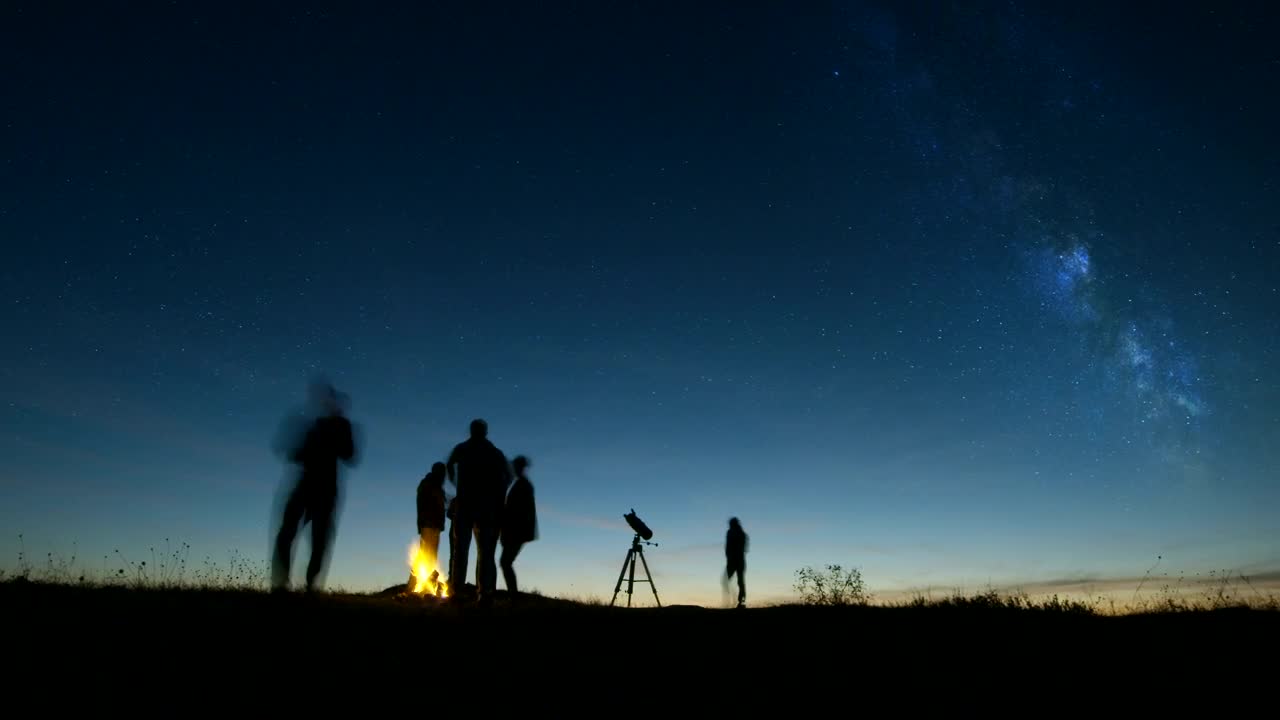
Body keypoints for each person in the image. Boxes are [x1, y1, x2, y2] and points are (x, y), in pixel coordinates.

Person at [271, 381, 358, 593]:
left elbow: (349, 454)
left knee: (319, 540)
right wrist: (296, 450)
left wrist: (329, 438)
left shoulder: (341, 425)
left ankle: (311, 585)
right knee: (287, 533)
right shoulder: (314, 425)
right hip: (306, 484)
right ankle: (280, 585)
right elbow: (297, 454)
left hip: (326, 489)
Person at [445, 418, 512, 605]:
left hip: (468, 505)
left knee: (462, 550)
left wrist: (455, 482)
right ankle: (483, 592)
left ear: (473, 431)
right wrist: (500, 494)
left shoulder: (464, 448)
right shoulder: (494, 452)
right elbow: (508, 475)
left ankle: (458, 591)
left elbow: (449, 465)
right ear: (485, 431)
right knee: (484, 551)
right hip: (485, 507)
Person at [500, 455, 538, 596]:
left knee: (505, 562)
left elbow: (516, 511)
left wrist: (508, 530)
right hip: (517, 531)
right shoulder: (521, 484)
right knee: (506, 562)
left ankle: (513, 596)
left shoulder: (522, 485)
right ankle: (513, 595)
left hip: (516, 531)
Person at [411, 462, 448, 591]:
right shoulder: (427, 485)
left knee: (431, 554)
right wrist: (422, 522)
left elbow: (442, 504)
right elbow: (423, 504)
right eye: (442, 473)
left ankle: (425, 585)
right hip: (428, 524)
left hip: (435, 525)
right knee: (426, 553)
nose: (444, 477)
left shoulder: (436, 487)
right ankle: (415, 585)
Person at [724, 517, 748, 608]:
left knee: (739, 581)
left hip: (737, 560)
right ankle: (739, 601)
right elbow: (728, 547)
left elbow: (741, 548)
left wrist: (730, 556)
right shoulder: (734, 533)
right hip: (735, 560)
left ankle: (740, 602)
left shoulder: (738, 534)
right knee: (738, 581)